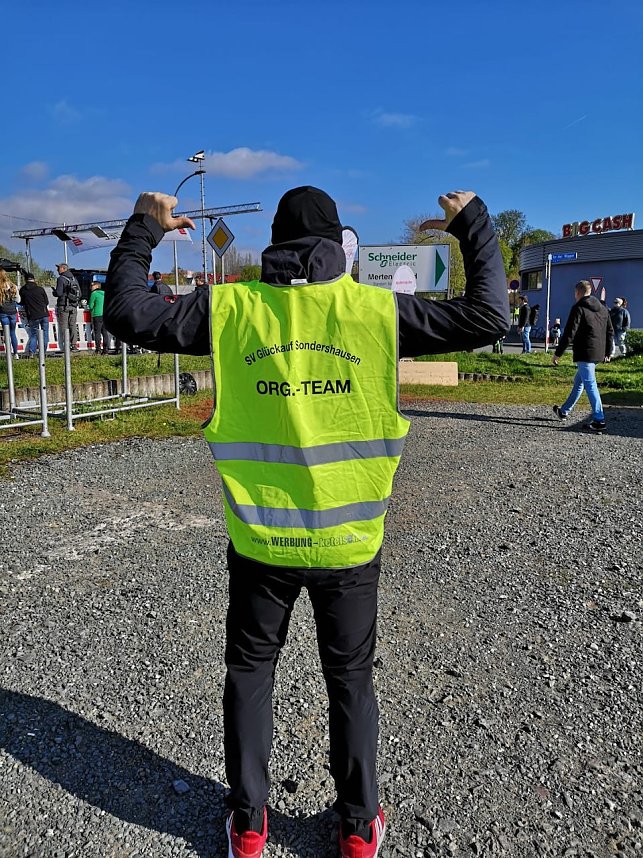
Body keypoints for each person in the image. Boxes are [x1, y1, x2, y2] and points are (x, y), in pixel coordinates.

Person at [104, 186, 509, 858]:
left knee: (250, 672)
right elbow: (489, 313)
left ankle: (250, 823)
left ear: (275, 244)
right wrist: (472, 228)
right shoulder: (374, 313)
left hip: (261, 539)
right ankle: (357, 827)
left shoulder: (231, 310)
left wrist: (145, 228)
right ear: (336, 243)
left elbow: (125, 311)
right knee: (349, 678)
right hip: (350, 544)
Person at [552, 280, 613, 433]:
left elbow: (569, 333)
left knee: (590, 385)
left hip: (585, 352)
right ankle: (564, 410)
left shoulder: (578, 307)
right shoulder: (603, 308)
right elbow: (610, 331)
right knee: (580, 382)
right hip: (598, 352)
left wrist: (558, 353)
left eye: (574, 293)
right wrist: (608, 351)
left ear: (578, 292)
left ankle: (599, 420)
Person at [19, 272, 50, 357]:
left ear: (25, 280)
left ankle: (32, 352)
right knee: (45, 334)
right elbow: (46, 302)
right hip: (44, 314)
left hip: (32, 315)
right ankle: (42, 352)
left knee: (33, 334)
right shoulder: (40, 289)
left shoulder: (23, 290)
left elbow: (22, 302)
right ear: (34, 279)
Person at [53, 263, 81, 351]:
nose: (57, 270)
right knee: (73, 325)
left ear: (63, 269)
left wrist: (54, 292)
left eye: (58, 268)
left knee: (64, 326)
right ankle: (74, 345)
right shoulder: (73, 278)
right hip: (73, 305)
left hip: (64, 305)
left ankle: (66, 345)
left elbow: (59, 293)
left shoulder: (61, 279)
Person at [0, 269, 20, 356]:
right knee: (12, 332)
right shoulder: (13, 286)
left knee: (6, 333)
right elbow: (18, 300)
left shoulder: (0, 287)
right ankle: (16, 353)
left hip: (3, 311)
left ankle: (8, 353)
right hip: (12, 312)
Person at [88, 281, 110, 354]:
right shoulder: (105, 293)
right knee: (105, 333)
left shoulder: (94, 294)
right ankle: (106, 350)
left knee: (97, 333)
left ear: (97, 286)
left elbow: (90, 305)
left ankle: (98, 349)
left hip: (97, 315)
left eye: (92, 285)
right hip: (105, 315)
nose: (90, 287)